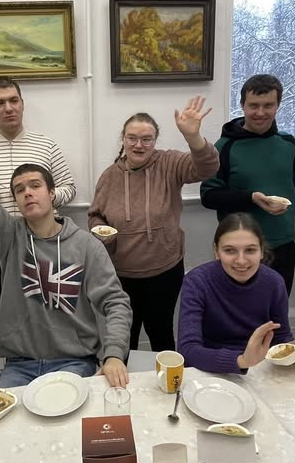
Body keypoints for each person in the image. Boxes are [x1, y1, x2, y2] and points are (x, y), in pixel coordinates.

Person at [0, 83, 133, 389]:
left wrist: (113, 355)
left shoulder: (86, 245)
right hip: (20, 365)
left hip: (75, 361)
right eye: (19, 190)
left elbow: (115, 302)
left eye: (35, 185)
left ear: (52, 193)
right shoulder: (10, 239)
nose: (28, 193)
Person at [88, 97, 219, 354]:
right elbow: (95, 216)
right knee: (124, 340)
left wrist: (193, 137)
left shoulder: (170, 164)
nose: (139, 145)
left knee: (162, 335)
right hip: (121, 275)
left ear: (155, 140)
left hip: (165, 272)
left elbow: (208, 168)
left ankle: (167, 379)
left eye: (146, 139)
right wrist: (100, 232)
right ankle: (124, 380)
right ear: (123, 139)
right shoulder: (109, 176)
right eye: (132, 138)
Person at [0, 76, 76, 325]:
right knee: (4, 310)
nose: (8, 108)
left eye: (13, 100)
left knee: (50, 308)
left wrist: (47, 197)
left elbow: (69, 188)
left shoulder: (46, 145)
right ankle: (12, 352)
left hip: (43, 243)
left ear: (22, 103)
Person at [200, 74, 295, 294]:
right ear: (242, 105)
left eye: (268, 105)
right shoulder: (224, 147)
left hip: (282, 244)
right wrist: (250, 198)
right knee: (236, 307)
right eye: (254, 105)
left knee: (277, 306)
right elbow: (209, 196)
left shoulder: (289, 144)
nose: (260, 112)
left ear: (277, 106)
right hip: (238, 246)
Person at [177, 213, 295, 372]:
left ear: (262, 251)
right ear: (216, 251)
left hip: (259, 367)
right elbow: (188, 350)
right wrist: (241, 360)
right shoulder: (197, 282)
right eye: (230, 250)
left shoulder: (274, 282)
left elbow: (281, 336)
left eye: (250, 250)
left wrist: (293, 349)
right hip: (207, 369)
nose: (241, 260)